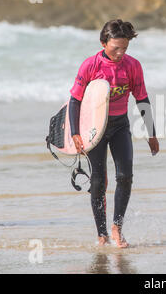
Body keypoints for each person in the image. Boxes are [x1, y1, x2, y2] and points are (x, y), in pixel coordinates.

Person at [68, 19, 159, 248]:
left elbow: (142, 99)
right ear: (103, 43)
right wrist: (76, 133)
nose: (120, 53)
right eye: (115, 48)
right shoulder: (90, 65)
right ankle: (101, 234)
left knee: (125, 176)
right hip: (94, 129)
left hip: (120, 126)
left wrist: (152, 133)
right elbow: (75, 100)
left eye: (125, 49)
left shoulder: (133, 66)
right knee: (98, 181)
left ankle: (117, 227)